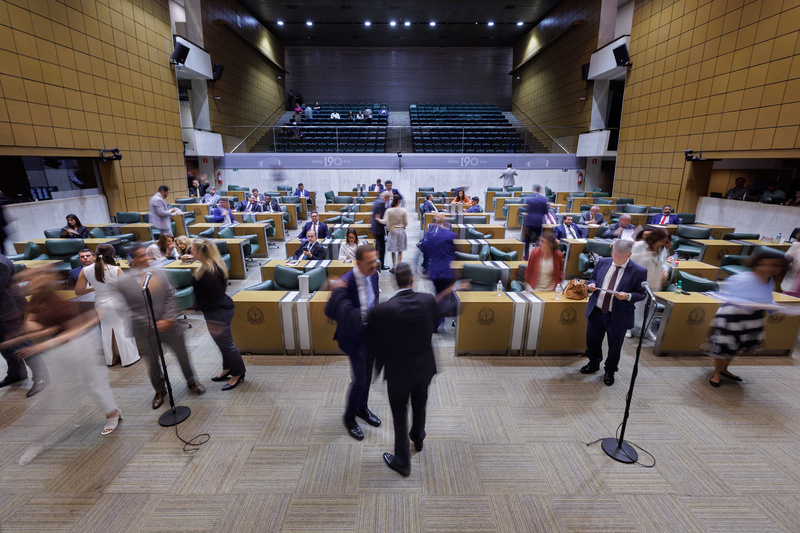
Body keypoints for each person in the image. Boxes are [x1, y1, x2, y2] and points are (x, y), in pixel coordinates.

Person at [7, 266, 122, 465]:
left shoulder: (57, 302)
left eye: (31, 278)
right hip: (60, 349)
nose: (26, 283)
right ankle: (38, 441)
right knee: (49, 395)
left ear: (45, 278)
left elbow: (69, 333)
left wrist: (39, 344)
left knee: (92, 383)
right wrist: (26, 335)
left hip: (80, 344)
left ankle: (113, 413)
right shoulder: (36, 299)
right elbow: (36, 325)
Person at [367, 263, 438, 477]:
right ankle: (418, 438)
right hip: (423, 368)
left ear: (393, 282)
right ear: (413, 280)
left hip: (398, 373)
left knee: (400, 415)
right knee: (420, 404)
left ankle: (402, 462)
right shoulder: (428, 300)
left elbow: (376, 343)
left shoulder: (381, 310)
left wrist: (376, 368)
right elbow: (432, 325)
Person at [115, 243, 205, 409]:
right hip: (145, 329)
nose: (146, 258)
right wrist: (152, 324)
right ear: (133, 259)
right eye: (141, 256)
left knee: (183, 355)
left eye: (146, 254)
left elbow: (170, 295)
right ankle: (159, 390)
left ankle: (192, 381)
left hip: (169, 324)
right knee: (153, 363)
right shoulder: (123, 281)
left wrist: (167, 318)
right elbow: (126, 310)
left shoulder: (158, 273)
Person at [324, 244, 382, 440]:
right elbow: (329, 311)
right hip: (355, 337)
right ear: (358, 262)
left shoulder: (373, 275)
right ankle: (349, 418)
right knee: (360, 380)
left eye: (375, 260)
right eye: (370, 262)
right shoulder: (345, 282)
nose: (374, 265)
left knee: (368, 376)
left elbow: (374, 301)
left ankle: (362, 408)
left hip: (372, 334)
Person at [706, 252, 788, 386]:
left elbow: (766, 299)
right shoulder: (742, 278)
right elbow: (733, 299)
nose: (771, 268)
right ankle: (717, 373)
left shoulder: (770, 281)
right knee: (724, 348)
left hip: (753, 320)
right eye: (768, 264)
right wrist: (762, 305)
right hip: (732, 317)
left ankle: (724, 369)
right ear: (757, 264)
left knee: (738, 347)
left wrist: (775, 308)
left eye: (776, 266)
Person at [581, 239, 648, 386]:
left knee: (615, 346)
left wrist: (628, 296)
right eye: (614, 254)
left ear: (629, 254)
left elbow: (642, 294)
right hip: (597, 310)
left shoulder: (639, 271)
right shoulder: (603, 262)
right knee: (592, 340)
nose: (616, 258)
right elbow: (593, 278)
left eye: (620, 256)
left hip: (618, 315)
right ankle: (593, 363)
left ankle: (610, 371)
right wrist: (592, 284)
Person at [190, 238, 246, 390]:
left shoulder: (210, 272)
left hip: (217, 312)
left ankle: (238, 373)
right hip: (217, 309)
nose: (191, 253)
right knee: (222, 343)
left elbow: (211, 298)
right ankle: (227, 368)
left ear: (201, 252)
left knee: (227, 345)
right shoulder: (210, 266)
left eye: (192, 250)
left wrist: (200, 309)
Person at [75, 244, 140, 367]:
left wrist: (95, 287)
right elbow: (127, 288)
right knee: (122, 329)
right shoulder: (115, 269)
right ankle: (129, 358)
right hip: (117, 302)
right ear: (112, 255)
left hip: (100, 303)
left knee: (106, 330)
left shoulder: (85, 270)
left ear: (96, 255)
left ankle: (111, 358)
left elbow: (79, 291)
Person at [0, 253, 49, 397]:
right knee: (4, 345)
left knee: (23, 344)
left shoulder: (1, 263)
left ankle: (42, 377)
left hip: (9, 311)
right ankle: (16, 373)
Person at [629, 228, 670, 339]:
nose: (664, 242)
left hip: (654, 282)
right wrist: (645, 254)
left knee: (650, 308)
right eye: (662, 240)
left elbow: (664, 262)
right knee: (635, 306)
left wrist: (665, 270)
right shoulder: (640, 245)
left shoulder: (662, 249)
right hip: (639, 281)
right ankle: (628, 328)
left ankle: (646, 330)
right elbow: (630, 259)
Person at [419, 214, 456, 332]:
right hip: (447, 270)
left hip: (435, 270)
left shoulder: (431, 235)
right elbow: (455, 253)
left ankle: (436, 320)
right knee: (442, 296)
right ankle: (436, 320)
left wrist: (425, 266)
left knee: (439, 294)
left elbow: (425, 251)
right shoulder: (451, 235)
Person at [378, 195, 407, 273]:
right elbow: (406, 223)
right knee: (400, 250)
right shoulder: (403, 210)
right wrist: (402, 226)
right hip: (401, 231)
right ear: (399, 201)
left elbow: (384, 222)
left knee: (393, 250)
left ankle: (394, 267)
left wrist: (378, 219)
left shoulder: (389, 211)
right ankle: (399, 267)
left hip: (392, 232)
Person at [523, 185, 548, 259]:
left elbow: (526, 209)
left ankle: (526, 255)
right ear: (539, 190)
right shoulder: (543, 199)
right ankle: (536, 255)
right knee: (538, 239)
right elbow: (545, 211)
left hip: (529, 221)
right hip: (538, 221)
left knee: (527, 239)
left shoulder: (529, 197)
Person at [371, 191, 390, 270]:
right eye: (389, 197)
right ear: (386, 197)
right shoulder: (382, 203)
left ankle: (377, 263)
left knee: (378, 246)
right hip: (379, 228)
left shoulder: (377, 200)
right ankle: (381, 265)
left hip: (375, 227)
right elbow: (381, 218)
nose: (389, 199)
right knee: (381, 247)